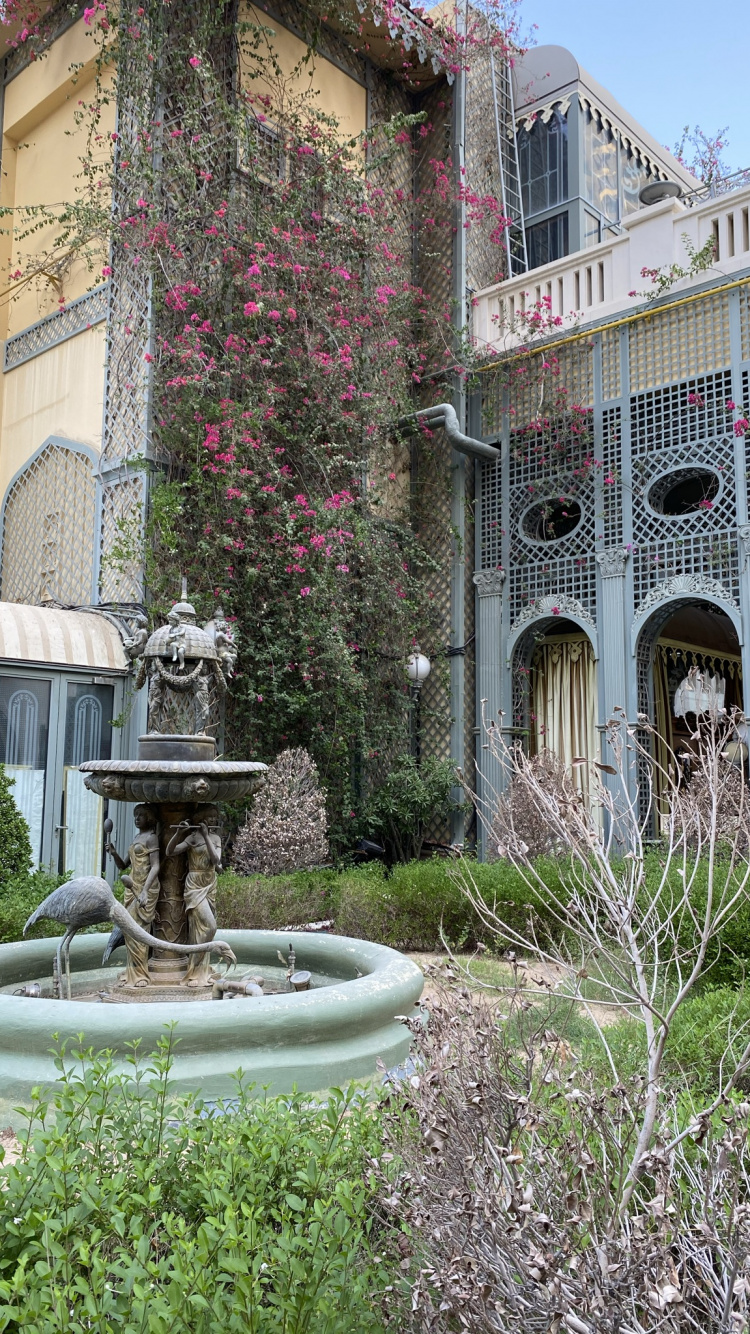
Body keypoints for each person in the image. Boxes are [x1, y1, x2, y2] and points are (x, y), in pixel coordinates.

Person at [105, 804, 161, 987]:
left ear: (150, 818)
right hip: (131, 888)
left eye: (141, 815)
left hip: (145, 889)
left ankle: (141, 975)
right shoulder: (137, 837)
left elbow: (156, 866)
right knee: (129, 930)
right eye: (135, 815)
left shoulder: (152, 838)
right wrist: (114, 853)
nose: (137, 818)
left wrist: (145, 890)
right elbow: (124, 866)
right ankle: (133, 972)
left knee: (139, 930)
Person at [165, 807, 221, 987]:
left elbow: (215, 860)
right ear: (202, 819)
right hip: (194, 884)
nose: (212, 820)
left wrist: (206, 836)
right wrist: (178, 833)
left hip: (210, 883)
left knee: (203, 929)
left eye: (214, 818)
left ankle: (200, 971)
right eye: (209, 817)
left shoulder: (215, 838)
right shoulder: (192, 838)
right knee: (208, 926)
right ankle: (194, 968)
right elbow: (170, 851)